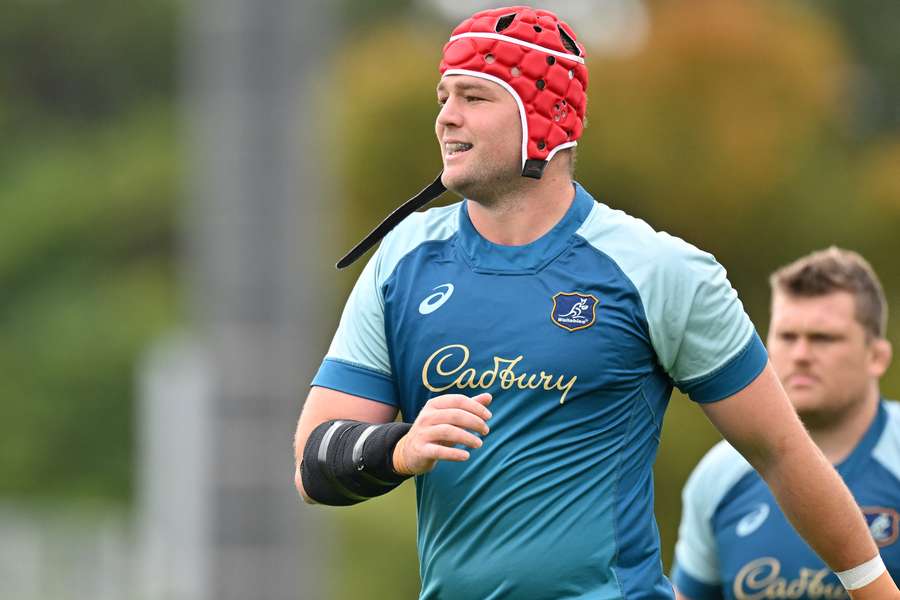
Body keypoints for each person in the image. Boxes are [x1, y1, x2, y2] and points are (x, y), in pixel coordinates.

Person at [293, 7, 899, 599]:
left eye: (474, 98)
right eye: (443, 97)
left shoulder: (660, 271)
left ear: (549, 118)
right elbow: (312, 465)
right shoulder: (404, 260)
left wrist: (874, 590)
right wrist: (395, 448)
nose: (447, 119)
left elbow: (782, 452)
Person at [672, 247, 900, 600]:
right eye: (787, 337)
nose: (801, 355)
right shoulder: (719, 476)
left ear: (877, 357)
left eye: (824, 338)